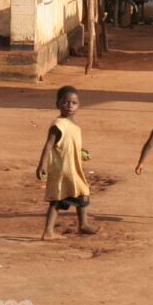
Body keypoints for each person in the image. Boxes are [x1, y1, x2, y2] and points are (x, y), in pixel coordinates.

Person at [35, 85, 97, 239]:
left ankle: (81, 225)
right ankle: (52, 230)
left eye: (73, 103)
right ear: (58, 104)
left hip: (72, 168)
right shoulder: (58, 125)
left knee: (78, 194)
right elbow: (49, 144)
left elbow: (70, 142)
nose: (69, 105)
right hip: (62, 168)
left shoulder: (73, 123)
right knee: (61, 197)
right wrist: (42, 164)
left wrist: (81, 151)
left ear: (79, 105)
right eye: (65, 102)